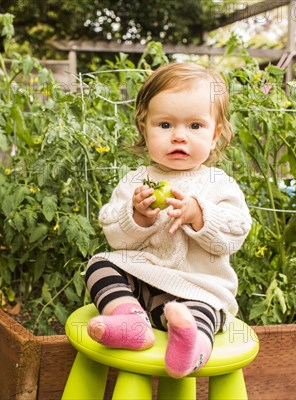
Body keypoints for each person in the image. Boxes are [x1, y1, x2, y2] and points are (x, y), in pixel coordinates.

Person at [85, 62, 252, 379]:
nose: (179, 137)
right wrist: (138, 216)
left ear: (215, 135)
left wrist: (199, 214)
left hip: (199, 291)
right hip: (144, 283)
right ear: (144, 128)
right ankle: (130, 319)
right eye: (164, 125)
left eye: (195, 126)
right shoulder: (137, 181)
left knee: (197, 316)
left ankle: (190, 347)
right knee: (99, 264)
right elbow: (115, 236)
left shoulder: (219, 184)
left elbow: (236, 232)